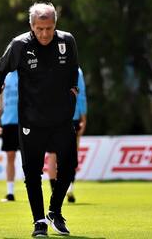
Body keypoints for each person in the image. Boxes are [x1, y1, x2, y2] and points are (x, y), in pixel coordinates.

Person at [0, 2, 79, 237]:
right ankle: (39, 221)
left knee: (69, 169)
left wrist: (72, 93)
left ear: (55, 24)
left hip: (61, 119)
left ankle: (55, 211)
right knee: (32, 173)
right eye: (39, 29)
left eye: (49, 28)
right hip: (31, 120)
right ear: (31, 26)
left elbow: (73, 72)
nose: (45, 34)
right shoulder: (19, 45)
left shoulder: (67, 41)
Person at [48, 67, 87, 203]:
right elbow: (81, 95)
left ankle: (55, 191)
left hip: (53, 116)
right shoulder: (76, 70)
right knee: (70, 154)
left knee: (52, 154)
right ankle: (69, 186)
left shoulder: (50, 66)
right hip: (72, 115)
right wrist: (84, 117)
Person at [0, 70, 19, 202]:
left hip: (25, 121)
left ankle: (34, 191)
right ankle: (10, 192)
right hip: (8, 122)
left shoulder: (26, 72)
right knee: (10, 156)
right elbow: (0, 99)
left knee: (31, 158)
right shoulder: (5, 77)